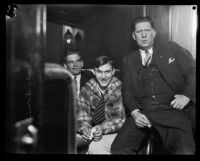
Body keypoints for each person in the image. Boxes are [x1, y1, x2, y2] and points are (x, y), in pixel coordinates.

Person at [111, 16, 196, 154]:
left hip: (172, 111)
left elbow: (193, 72)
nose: (144, 35)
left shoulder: (171, 48)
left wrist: (186, 96)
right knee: (118, 149)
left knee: (185, 151)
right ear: (134, 36)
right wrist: (135, 113)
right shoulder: (129, 59)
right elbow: (127, 90)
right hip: (143, 113)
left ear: (154, 33)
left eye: (147, 30)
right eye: (139, 32)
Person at [76, 56, 126, 154]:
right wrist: (85, 128)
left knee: (95, 147)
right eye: (99, 72)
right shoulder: (87, 88)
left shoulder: (120, 88)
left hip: (115, 132)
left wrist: (102, 128)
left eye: (107, 72)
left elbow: (120, 120)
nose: (103, 76)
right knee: (73, 144)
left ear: (113, 72)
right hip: (92, 130)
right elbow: (82, 116)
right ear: (94, 72)